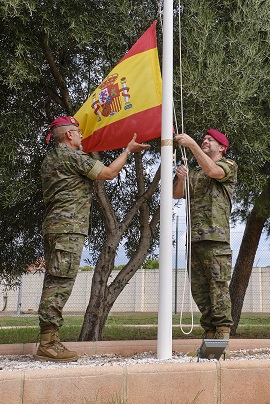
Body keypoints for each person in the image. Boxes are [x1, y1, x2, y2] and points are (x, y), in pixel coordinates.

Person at [35, 115, 150, 362]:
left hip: (55, 227)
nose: (81, 136)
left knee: (54, 280)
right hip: (68, 228)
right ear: (68, 135)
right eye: (77, 132)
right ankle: (48, 343)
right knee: (60, 283)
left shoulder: (51, 158)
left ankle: (48, 338)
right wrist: (127, 150)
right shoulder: (71, 157)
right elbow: (108, 173)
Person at [173, 128, 237, 355]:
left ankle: (220, 338)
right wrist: (181, 178)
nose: (205, 140)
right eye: (204, 139)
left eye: (211, 140)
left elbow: (212, 170)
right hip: (195, 240)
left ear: (222, 148)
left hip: (215, 239)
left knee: (218, 289)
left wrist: (192, 145)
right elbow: (177, 194)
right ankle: (210, 339)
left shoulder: (228, 166)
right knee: (200, 291)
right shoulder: (197, 174)